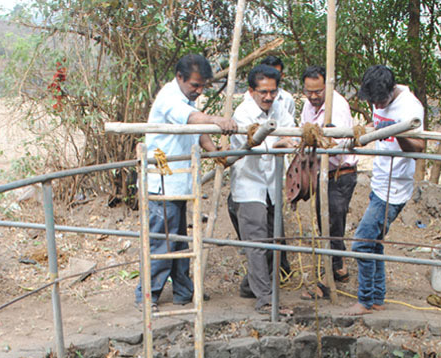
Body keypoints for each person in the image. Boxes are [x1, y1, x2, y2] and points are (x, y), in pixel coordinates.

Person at [135, 53, 237, 310]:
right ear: (179, 77)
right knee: (162, 240)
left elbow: (197, 129)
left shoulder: (186, 100)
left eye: (203, 86)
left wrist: (215, 152)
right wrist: (218, 120)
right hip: (163, 181)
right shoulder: (169, 98)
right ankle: (148, 295)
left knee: (180, 240)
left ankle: (183, 291)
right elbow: (192, 119)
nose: (199, 90)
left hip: (180, 182)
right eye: (195, 85)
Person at [347, 65, 425, 316]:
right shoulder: (378, 101)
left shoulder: (411, 108)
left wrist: (397, 132)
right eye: (373, 102)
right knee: (374, 244)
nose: (377, 106)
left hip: (395, 187)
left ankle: (365, 301)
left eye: (381, 101)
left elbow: (419, 147)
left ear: (392, 90)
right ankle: (377, 297)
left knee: (361, 243)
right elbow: (377, 122)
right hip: (379, 181)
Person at [228, 64, 296, 313]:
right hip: (249, 186)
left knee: (272, 238)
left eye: (272, 92)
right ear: (251, 91)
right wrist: (277, 142)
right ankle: (265, 299)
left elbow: (292, 134)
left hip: (272, 184)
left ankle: (252, 286)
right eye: (263, 92)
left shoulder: (279, 107)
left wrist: (282, 142)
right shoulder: (243, 112)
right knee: (257, 241)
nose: (268, 97)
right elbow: (252, 144)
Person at [299, 65, 358, 295]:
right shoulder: (308, 105)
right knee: (328, 222)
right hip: (322, 173)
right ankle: (340, 267)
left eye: (318, 91)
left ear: (327, 87)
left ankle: (328, 280)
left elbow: (339, 146)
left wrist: (325, 139)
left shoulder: (338, 107)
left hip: (340, 173)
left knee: (331, 224)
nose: (313, 96)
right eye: (309, 91)